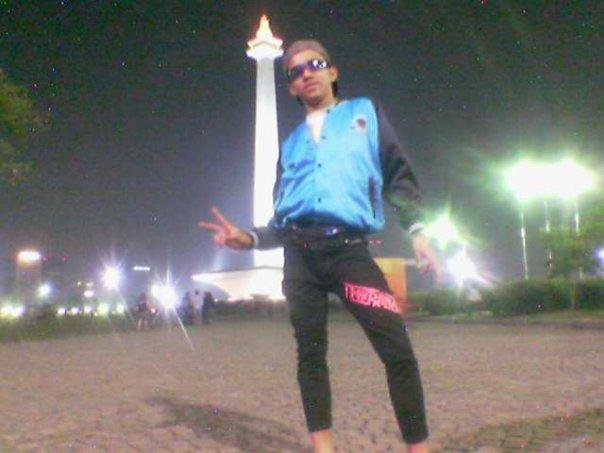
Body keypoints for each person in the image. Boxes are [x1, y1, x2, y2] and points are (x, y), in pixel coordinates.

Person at [200, 39, 440, 453]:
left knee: (397, 349)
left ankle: (419, 448)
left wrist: (417, 230)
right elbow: (282, 219)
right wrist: (250, 238)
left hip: (349, 253)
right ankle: (323, 447)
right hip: (300, 260)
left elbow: (397, 172)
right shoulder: (290, 145)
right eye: (295, 71)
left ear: (332, 71)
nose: (306, 73)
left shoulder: (365, 113)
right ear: (291, 87)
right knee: (310, 355)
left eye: (314, 64)